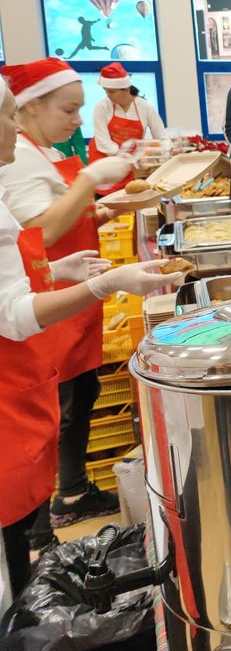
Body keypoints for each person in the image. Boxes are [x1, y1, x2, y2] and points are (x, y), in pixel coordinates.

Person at [0, 76, 180, 601]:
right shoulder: (24, 162)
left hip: (30, 356)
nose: (13, 128)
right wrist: (103, 282)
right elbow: (11, 311)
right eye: (9, 116)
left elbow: (18, 262)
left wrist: (54, 270)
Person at [87, 62, 165, 195]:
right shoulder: (102, 107)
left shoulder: (144, 107)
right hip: (104, 163)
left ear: (126, 89)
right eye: (106, 91)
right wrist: (129, 160)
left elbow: (161, 136)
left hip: (129, 167)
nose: (108, 95)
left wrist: (154, 155)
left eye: (112, 92)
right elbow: (103, 143)